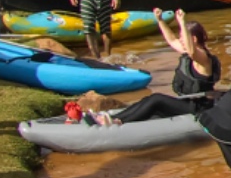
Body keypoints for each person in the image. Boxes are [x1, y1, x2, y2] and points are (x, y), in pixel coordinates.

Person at [94, 11, 222, 124]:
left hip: (199, 108)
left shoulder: (204, 59)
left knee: (157, 99)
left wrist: (182, 22)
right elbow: (171, 41)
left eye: (182, 37)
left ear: (193, 39)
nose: (180, 40)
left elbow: (192, 52)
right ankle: (113, 117)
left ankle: (119, 122)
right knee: (149, 98)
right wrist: (160, 20)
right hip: (187, 102)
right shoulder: (187, 53)